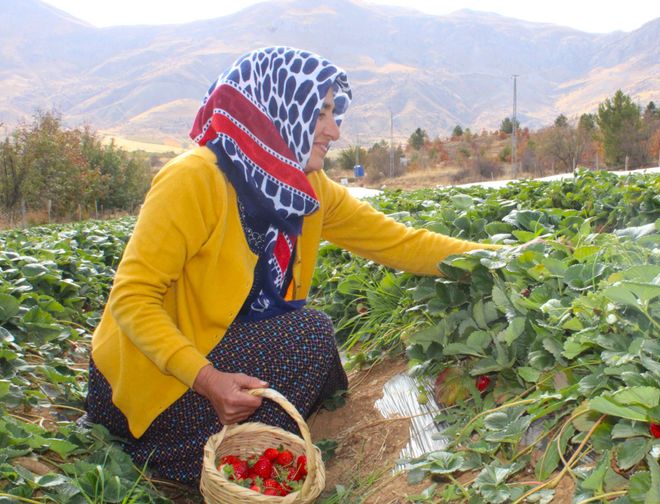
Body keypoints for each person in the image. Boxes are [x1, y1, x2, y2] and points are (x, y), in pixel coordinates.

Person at [84, 46, 497, 484]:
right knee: (308, 336)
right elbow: (132, 299)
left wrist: (498, 258)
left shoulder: (304, 187)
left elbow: (399, 242)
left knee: (315, 351)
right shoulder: (195, 179)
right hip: (143, 379)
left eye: (335, 115)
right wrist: (207, 380)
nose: (334, 131)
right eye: (320, 113)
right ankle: (158, 459)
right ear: (276, 109)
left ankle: (247, 453)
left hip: (217, 344)